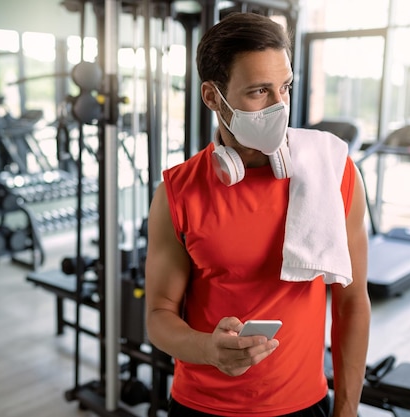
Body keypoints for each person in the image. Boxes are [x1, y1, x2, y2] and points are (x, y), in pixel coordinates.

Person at [144, 12, 371, 417]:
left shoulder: (333, 172)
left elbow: (352, 301)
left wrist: (348, 409)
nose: (280, 105)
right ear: (213, 97)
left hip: (303, 404)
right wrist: (207, 350)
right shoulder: (176, 192)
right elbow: (159, 315)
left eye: (285, 86)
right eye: (259, 91)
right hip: (201, 406)